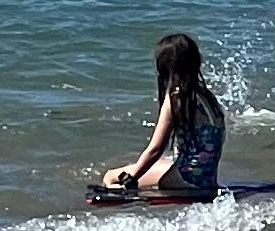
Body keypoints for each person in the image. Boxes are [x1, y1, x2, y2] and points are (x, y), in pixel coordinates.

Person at [95, 31, 226, 203]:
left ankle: (121, 199)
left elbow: (155, 149)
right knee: (159, 162)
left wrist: (130, 179)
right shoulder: (206, 96)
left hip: (184, 181)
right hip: (207, 179)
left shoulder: (176, 98)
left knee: (111, 176)